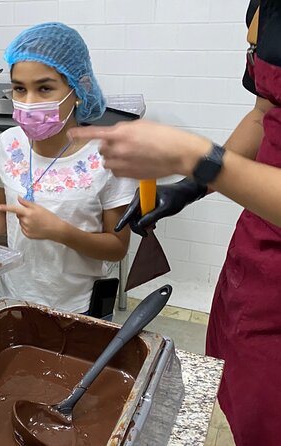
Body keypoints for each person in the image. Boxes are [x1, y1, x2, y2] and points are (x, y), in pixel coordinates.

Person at [70, 1, 280, 443]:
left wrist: (198, 159)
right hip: (260, 247)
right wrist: (189, 186)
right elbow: (265, 113)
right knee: (242, 389)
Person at [0, 23, 135, 315]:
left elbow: (117, 247)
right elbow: (3, 211)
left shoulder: (107, 158)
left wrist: (59, 231)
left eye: (44, 88)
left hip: (79, 306)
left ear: (78, 89)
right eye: (20, 89)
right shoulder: (8, 145)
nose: (29, 102)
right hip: (13, 298)